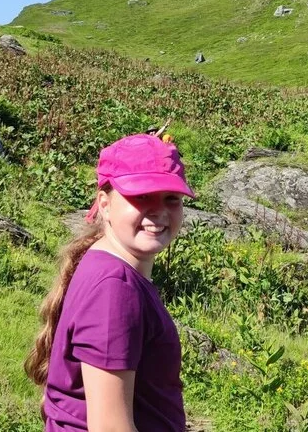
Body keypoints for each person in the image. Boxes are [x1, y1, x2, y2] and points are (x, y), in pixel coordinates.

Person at [25, 132, 193, 432]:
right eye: (141, 196)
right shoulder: (114, 288)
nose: (159, 211)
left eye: (172, 198)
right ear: (104, 203)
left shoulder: (110, 266)